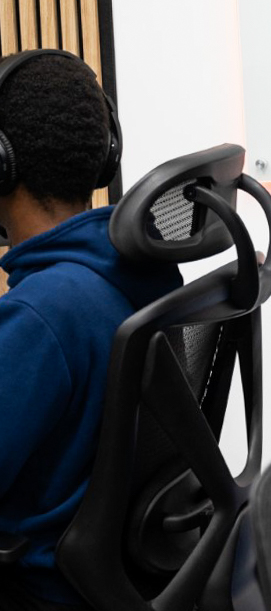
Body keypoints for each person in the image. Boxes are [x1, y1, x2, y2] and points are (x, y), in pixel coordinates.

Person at [0, 50, 182, 611]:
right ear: (105, 155)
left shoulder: (44, 313)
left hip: (40, 584)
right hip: (125, 576)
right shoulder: (137, 270)